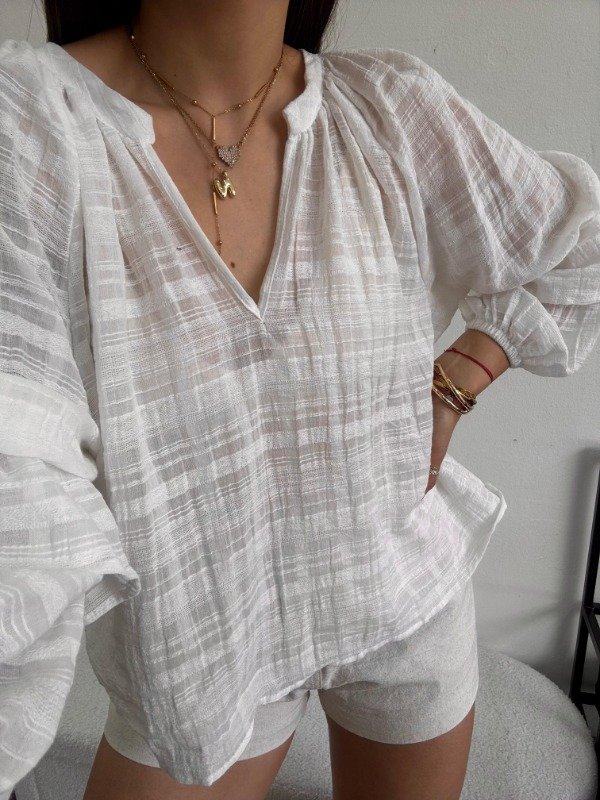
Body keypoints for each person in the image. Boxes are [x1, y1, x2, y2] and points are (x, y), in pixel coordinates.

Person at [0, 1, 599, 798]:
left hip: (405, 604)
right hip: (202, 650)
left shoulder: (390, 110)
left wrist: (456, 383)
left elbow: (579, 244)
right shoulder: (33, 126)